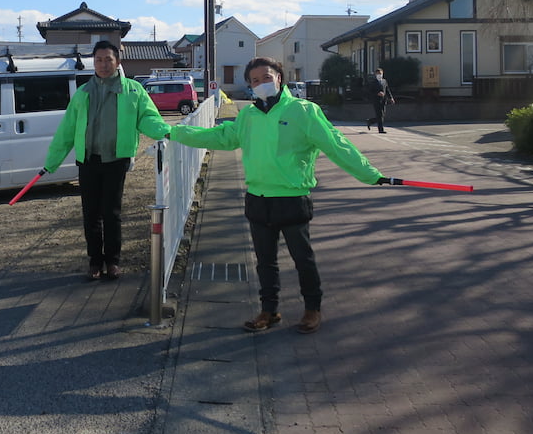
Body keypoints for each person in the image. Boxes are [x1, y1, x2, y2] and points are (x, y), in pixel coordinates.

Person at [169, 57, 388, 335]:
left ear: (280, 78)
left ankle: (312, 309)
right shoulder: (248, 115)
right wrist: (175, 131)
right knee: (265, 261)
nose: (261, 84)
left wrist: (369, 174)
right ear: (249, 85)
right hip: (258, 197)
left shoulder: (304, 111)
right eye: (255, 80)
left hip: (292, 198)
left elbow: (336, 144)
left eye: (266, 77)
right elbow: (221, 137)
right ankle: (269, 311)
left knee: (302, 259)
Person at [44, 41, 171, 281]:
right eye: (99, 60)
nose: (103, 64)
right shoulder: (83, 93)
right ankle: (95, 261)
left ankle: (112, 261)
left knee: (112, 212)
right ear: (94, 62)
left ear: (118, 62)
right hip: (88, 160)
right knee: (90, 213)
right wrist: (52, 162)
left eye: (108, 59)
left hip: (116, 159)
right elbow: (66, 131)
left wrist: (165, 132)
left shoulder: (133, 90)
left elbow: (148, 118)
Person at [366, 68, 395, 133]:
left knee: (382, 115)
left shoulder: (384, 81)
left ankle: (370, 121)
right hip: (376, 100)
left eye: (381, 74)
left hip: (384, 100)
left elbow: (387, 90)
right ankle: (381, 130)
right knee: (379, 115)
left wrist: (391, 98)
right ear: (376, 74)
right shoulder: (373, 82)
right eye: (378, 74)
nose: (379, 75)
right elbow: (370, 91)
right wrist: (377, 93)